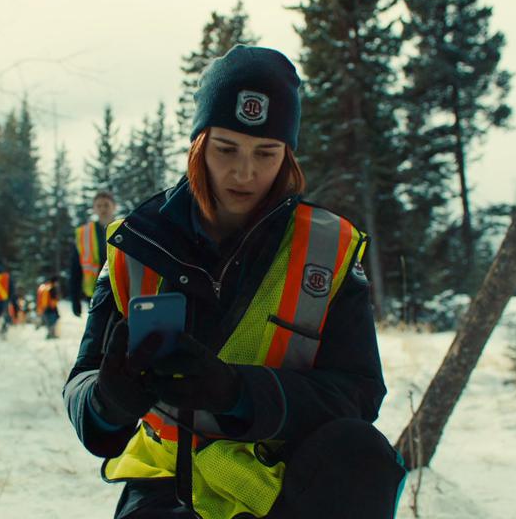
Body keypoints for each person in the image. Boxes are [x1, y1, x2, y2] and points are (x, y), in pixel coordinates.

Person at [62, 45, 404, 519]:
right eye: (226, 149)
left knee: (362, 453)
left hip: (278, 476)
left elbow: (359, 393)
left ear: (288, 154)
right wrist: (106, 400)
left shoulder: (328, 250)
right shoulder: (134, 243)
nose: (245, 172)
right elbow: (82, 384)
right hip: (167, 481)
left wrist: (238, 393)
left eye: (266, 153)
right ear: (199, 145)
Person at [70, 190, 117, 318]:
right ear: (94, 209)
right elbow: (75, 268)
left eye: (106, 205)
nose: (103, 209)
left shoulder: (124, 227)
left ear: (114, 207)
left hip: (120, 289)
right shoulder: (84, 233)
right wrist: (75, 299)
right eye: (99, 206)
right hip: (95, 293)